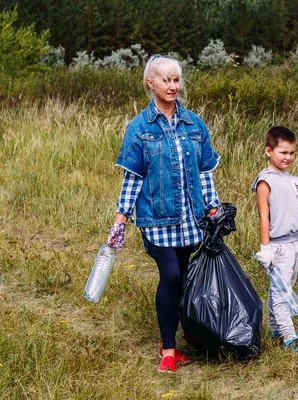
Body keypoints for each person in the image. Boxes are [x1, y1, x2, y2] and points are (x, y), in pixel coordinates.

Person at [106, 55, 221, 373]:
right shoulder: (139, 127)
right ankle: (168, 352)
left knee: (182, 279)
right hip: (156, 219)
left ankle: (178, 340)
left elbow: (204, 173)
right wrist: (121, 220)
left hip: (190, 217)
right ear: (150, 83)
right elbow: (133, 178)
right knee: (170, 275)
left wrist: (213, 207)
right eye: (166, 80)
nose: (173, 86)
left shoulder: (194, 124)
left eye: (176, 80)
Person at [252, 126, 298, 354]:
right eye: (283, 152)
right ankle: (289, 336)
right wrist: (265, 248)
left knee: (283, 288)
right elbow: (264, 215)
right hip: (278, 246)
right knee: (281, 293)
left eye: (292, 153)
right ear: (269, 151)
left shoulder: (294, 180)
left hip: (295, 243)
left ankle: (276, 329)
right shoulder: (265, 181)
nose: (288, 157)